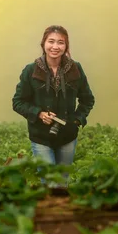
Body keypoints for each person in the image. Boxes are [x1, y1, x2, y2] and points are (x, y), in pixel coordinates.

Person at [12, 25, 95, 186]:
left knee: (62, 184)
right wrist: (39, 114)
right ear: (43, 44)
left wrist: (76, 121)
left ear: (66, 46)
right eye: (51, 41)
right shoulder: (31, 70)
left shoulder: (75, 69)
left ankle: (59, 211)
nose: (55, 47)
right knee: (50, 183)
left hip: (67, 136)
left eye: (60, 42)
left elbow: (87, 99)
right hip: (40, 136)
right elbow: (18, 102)